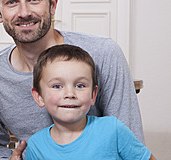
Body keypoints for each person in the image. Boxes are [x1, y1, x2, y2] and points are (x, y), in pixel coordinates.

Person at [0, 0, 144, 159]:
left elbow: (130, 142)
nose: (24, 12)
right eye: (12, 2)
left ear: (53, 3)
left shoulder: (104, 53)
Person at [25, 44, 156, 160]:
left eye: (80, 85)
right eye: (57, 86)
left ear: (93, 95)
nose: (70, 94)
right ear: (39, 96)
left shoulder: (112, 130)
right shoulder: (36, 146)